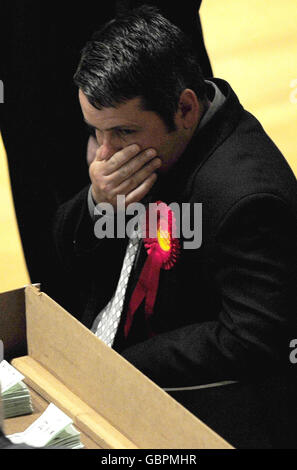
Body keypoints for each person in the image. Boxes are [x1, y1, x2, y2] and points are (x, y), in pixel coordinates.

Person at [44, 6, 297, 389]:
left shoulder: (248, 200)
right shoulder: (151, 142)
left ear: (185, 108)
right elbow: (64, 254)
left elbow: (252, 340)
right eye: (96, 133)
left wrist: (125, 366)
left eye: (123, 132)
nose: (105, 155)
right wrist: (99, 202)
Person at [0, 1, 210, 287]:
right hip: (29, 72)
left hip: (137, 73)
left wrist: (106, 130)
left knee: (181, 241)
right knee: (59, 231)